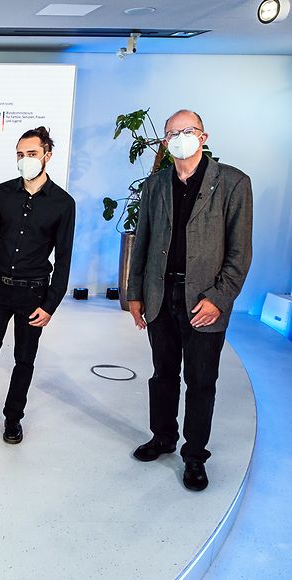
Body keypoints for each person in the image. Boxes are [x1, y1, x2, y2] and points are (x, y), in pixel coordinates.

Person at [127, 109, 253, 491]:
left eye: (188, 130)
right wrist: (135, 293)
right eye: (172, 133)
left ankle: (194, 455)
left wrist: (220, 298)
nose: (180, 137)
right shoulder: (156, 184)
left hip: (203, 301)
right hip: (161, 296)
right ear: (165, 142)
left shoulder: (232, 183)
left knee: (201, 382)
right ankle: (163, 437)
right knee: (163, 374)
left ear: (203, 136)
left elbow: (239, 252)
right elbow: (143, 241)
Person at [0, 126, 75, 444]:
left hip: (34, 292)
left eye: (31, 154)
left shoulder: (63, 203)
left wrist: (50, 304)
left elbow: (63, 259)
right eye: (20, 154)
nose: (25, 160)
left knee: (24, 359)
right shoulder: (2, 194)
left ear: (47, 155)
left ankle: (13, 418)